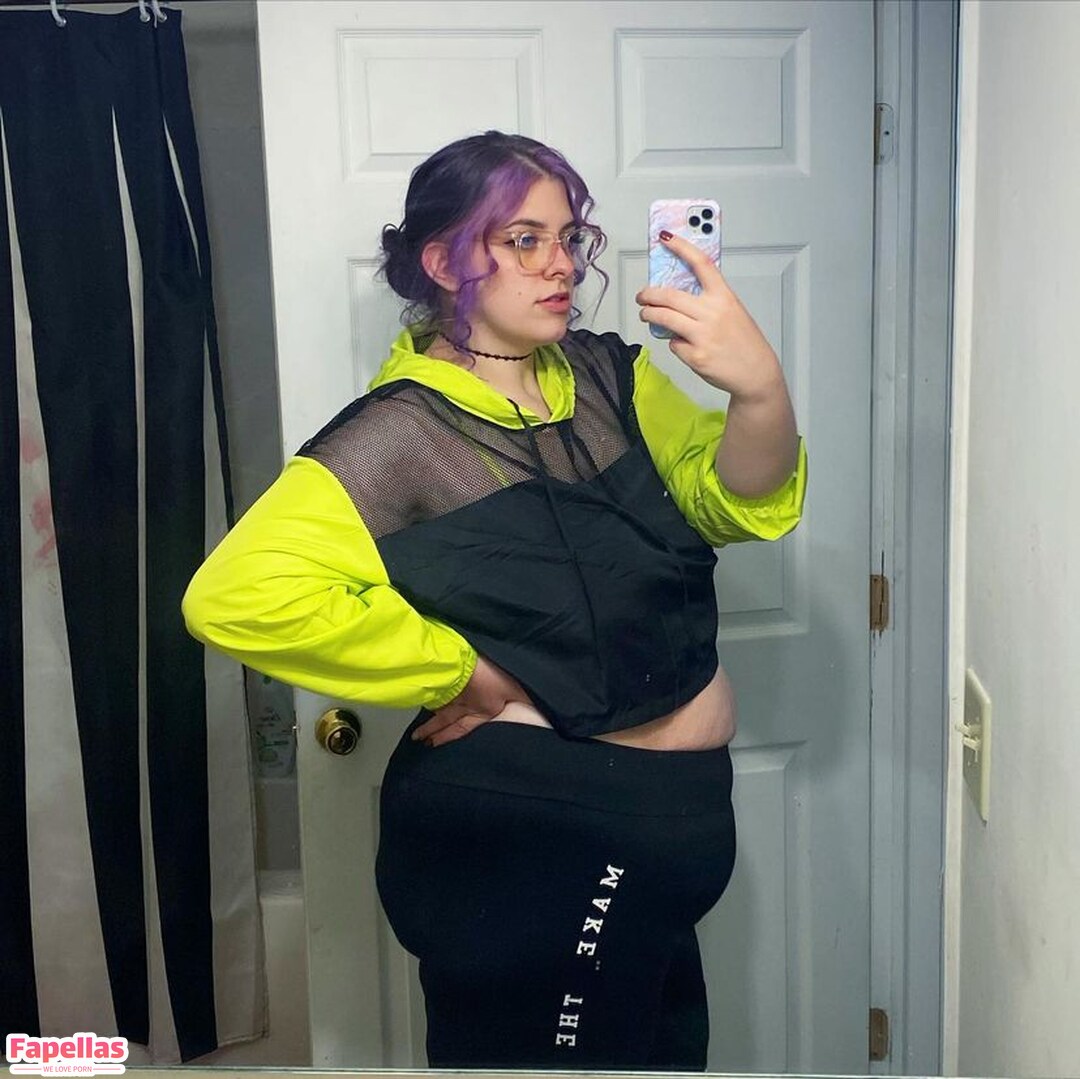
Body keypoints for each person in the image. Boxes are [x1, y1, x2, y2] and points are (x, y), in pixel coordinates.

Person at [182, 130, 806, 1071]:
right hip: (539, 839)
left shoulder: (609, 376)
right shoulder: (396, 436)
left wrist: (759, 388)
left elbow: (729, 499)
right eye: (523, 239)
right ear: (442, 262)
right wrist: (460, 670)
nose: (562, 263)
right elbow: (234, 595)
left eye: (569, 237)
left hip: (666, 834)